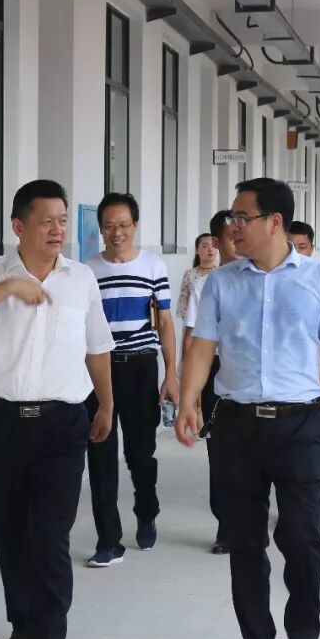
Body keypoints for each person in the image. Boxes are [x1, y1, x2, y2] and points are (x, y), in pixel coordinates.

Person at [176, 178, 320, 639]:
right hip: (236, 426)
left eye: (242, 217)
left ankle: (305, 630)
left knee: (302, 539)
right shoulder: (221, 282)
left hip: (300, 424)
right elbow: (203, 347)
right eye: (231, 218)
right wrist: (188, 400)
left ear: (274, 222)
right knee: (245, 542)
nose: (231, 227)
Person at [0, 179, 115, 639]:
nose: (57, 230)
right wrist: (9, 289)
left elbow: (97, 347)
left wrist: (107, 405)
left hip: (64, 424)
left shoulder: (81, 278)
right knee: (12, 532)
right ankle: (22, 619)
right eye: (46, 221)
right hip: (4, 424)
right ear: (19, 226)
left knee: (51, 536)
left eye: (62, 221)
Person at [82, 192, 178, 566]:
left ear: (135, 225)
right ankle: (108, 540)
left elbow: (165, 322)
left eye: (123, 225)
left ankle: (146, 510)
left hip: (140, 366)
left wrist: (171, 374)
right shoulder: (87, 270)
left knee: (140, 453)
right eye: (109, 226)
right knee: (100, 454)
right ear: (100, 228)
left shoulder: (153, 265)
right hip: (98, 369)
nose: (117, 232)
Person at [183, 211, 237, 554]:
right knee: (220, 451)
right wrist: (188, 392)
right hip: (215, 369)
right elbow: (194, 338)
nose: (241, 239)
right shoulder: (210, 284)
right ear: (218, 242)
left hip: (249, 374)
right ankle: (227, 526)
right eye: (233, 235)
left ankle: (253, 519)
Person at [177, 232, 220, 360]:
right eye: (205, 246)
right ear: (197, 250)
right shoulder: (189, 275)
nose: (210, 250)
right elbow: (183, 307)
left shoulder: (220, 274)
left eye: (213, 246)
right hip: (194, 330)